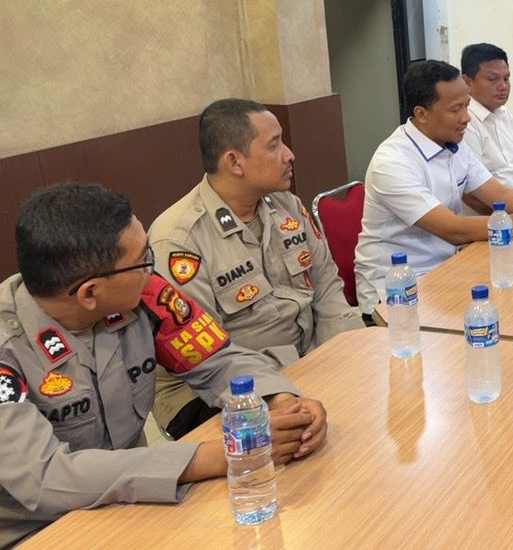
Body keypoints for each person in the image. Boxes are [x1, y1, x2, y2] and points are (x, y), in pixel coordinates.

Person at [0, 182, 328, 549]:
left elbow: (217, 358)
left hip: (132, 502)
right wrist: (212, 457)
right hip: (28, 533)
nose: (152, 269)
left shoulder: (142, 294)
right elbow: (46, 478)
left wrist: (281, 400)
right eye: (143, 260)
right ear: (90, 293)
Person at [148, 99, 363, 438]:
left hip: (304, 363)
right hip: (215, 390)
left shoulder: (286, 205)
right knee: (302, 444)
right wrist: (280, 393)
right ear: (234, 162)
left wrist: (348, 356)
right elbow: (207, 359)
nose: (289, 155)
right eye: (274, 145)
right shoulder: (179, 240)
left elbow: (327, 288)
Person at [354, 60, 513, 312]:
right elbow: (454, 230)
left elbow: (501, 194)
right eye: (456, 109)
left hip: (448, 269)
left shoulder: (453, 144)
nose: (466, 118)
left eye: (466, 105)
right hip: (398, 289)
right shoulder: (392, 163)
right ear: (421, 114)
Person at [460, 43, 513, 212]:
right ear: (467, 82)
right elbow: (469, 195)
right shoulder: (465, 123)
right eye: (492, 79)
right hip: (495, 221)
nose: (503, 86)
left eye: (506, 78)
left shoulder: (504, 113)